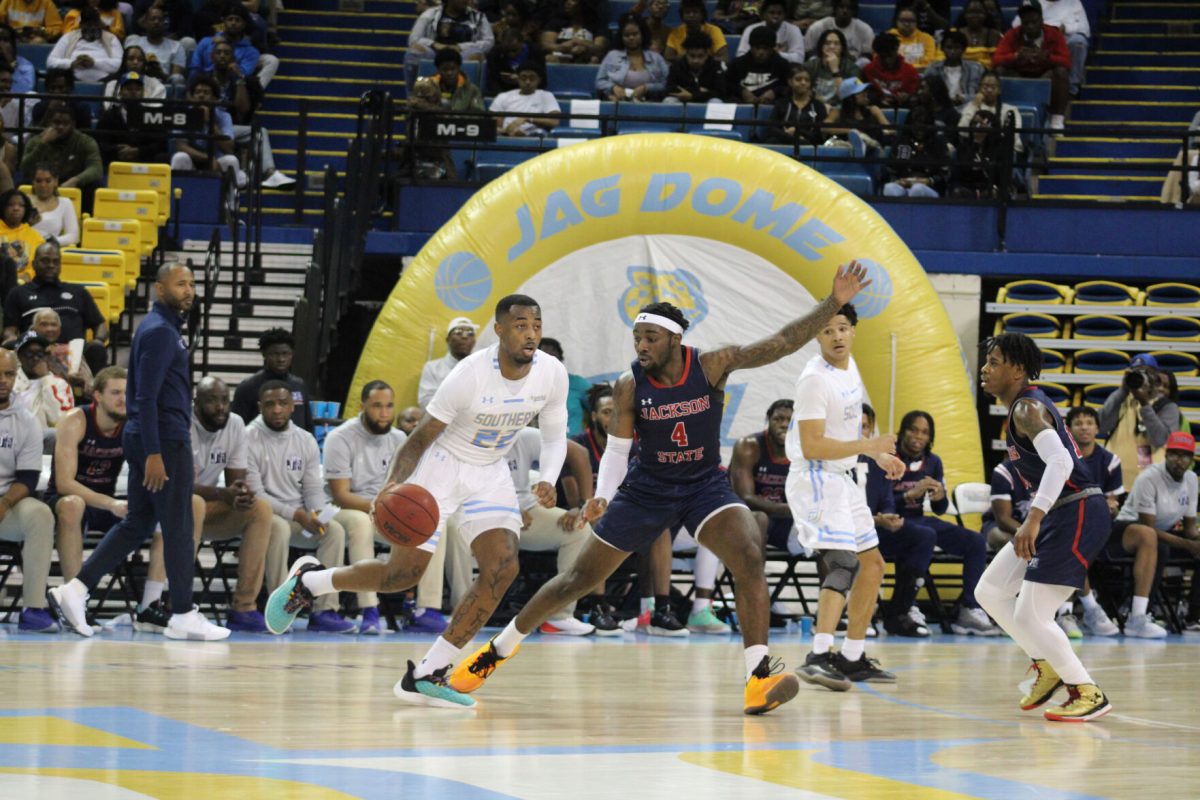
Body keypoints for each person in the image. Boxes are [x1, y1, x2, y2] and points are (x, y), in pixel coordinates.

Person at [447, 266, 870, 714]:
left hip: (704, 485)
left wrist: (831, 302)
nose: (642, 346)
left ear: (675, 340)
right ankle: (496, 651)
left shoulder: (711, 365)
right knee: (578, 579)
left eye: (650, 337)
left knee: (748, 551)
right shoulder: (631, 386)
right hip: (648, 488)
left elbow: (781, 342)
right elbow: (616, 450)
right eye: (637, 339)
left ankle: (758, 678)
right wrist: (603, 495)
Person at [265, 294, 573, 709]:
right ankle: (310, 582)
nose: (531, 332)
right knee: (402, 575)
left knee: (503, 566)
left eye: (536, 323)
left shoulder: (552, 373)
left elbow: (555, 436)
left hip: (490, 471)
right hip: (441, 466)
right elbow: (418, 440)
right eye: (520, 324)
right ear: (499, 330)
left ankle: (428, 673)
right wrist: (391, 487)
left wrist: (549, 479)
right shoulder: (468, 375)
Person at [49, 264, 231, 641]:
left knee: (139, 523)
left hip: (155, 437)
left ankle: (76, 589)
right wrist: (154, 453)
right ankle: (183, 612)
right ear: (159, 289)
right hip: (161, 439)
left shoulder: (163, 329)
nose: (190, 290)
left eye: (193, 284)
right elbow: (145, 397)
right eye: (181, 284)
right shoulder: (161, 332)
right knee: (179, 523)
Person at [974, 332, 1112, 722]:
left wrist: (1032, 519)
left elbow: (1062, 464)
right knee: (990, 591)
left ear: (1017, 369)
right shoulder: (1022, 408)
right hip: (1061, 513)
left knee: (1032, 614)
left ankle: (1086, 690)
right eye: (986, 361)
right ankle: (1046, 663)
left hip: (1079, 510)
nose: (985, 369)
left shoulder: (1026, 410)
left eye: (995, 361)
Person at [788, 301, 905, 691]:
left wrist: (879, 455)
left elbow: (846, 431)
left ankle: (852, 657)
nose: (836, 336)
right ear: (817, 336)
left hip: (844, 477)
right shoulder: (814, 380)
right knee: (842, 563)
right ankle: (818, 655)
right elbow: (813, 445)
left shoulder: (849, 367)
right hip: (816, 478)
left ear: (853, 330)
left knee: (872, 566)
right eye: (827, 331)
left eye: (842, 328)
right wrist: (870, 445)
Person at [248, 381, 355, 633]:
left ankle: (326, 610)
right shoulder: (248, 437)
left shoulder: (305, 439)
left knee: (335, 531)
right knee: (278, 529)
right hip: (267, 517)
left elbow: (312, 487)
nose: (277, 410)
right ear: (259, 407)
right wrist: (296, 514)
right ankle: (282, 607)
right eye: (270, 404)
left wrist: (317, 512)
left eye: (283, 403)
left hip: (300, 517)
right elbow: (256, 493)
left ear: (293, 406)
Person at [892, 410, 999, 634]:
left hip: (919, 519)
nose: (918, 436)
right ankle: (906, 605)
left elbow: (940, 509)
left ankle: (969, 608)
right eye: (913, 430)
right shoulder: (889, 459)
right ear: (902, 431)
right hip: (893, 521)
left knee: (975, 541)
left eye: (924, 432)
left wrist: (940, 496)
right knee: (921, 536)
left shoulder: (933, 462)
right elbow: (879, 504)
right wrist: (910, 494)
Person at [190, 376, 279, 633]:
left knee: (260, 508)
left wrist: (240, 493)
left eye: (224, 401)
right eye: (211, 401)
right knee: (193, 502)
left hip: (209, 509)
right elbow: (177, 486)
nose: (220, 407)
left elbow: (235, 481)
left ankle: (244, 606)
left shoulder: (235, 424)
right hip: (174, 509)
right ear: (196, 404)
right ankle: (179, 603)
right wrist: (223, 494)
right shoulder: (183, 424)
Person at [322, 379, 409, 635]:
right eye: (377, 406)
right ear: (362, 406)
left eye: (389, 406)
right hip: (349, 509)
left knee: (433, 527)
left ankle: (427, 609)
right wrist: (378, 507)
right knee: (360, 525)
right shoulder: (339, 437)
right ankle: (369, 609)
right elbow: (340, 495)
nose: (384, 413)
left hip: (385, 511)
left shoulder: (399, 438)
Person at [1111, 431, 1197, 638]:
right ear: (1166, 454)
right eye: (1175, 454)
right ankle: (1140, 612)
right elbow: (1148, 528)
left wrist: (1194, 542)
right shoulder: (1149, 477)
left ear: (1192, 459)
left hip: (1163, 533)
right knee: (1160, 547)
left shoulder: (1192, 479)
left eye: (1184, 455)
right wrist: (1187, 544)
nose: (1179, 460)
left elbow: (1189, 529)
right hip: (1127, 531)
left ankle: (1194, 617)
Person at [46, 366, 125, 586]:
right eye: (116, 393)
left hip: (105, 501)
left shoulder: (131, 425)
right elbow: (64, 484)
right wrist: (111, 503)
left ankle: (152, 602)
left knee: (158, 512)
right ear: (98, 396)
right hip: (64, 500)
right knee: (74, 505)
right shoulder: (75, 421)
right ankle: (75, 595)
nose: (124, 399)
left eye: (127, 393)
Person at [860, 403, 931, 637]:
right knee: (863, 550)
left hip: (873, 528)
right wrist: (874, 520)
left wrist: (889, 515)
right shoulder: (833, 462)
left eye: (866, 428)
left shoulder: (878, 461)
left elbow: (887, 498)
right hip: (844, 531)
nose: (862, 433)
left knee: (922, 536)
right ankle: (861, 614)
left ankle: (900, 611)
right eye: (856, 427)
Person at [0, 348, 58, 631]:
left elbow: (28, 477)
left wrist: (5, 503)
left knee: (41, 514)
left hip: (5, 507)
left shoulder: (26, 421)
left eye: (9, 374)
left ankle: (33, 608)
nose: (2, 380)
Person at [3, 241, 109, 375]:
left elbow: (100, 324)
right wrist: (13, 340)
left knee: (96, 349)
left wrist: (98, 340)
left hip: (75, 355)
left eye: (55, 262)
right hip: (35, 350)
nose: (51, 265)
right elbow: (9, 330)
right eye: (45, 261)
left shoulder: (78, 292)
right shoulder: (18, 293)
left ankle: (94, 394)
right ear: (34, 264)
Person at [1098, 353, 1184, 491]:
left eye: (1147, 373)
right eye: (1137, 372)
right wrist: (1122, 391)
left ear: (1156, 378)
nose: (1141, 377)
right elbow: (1101, 426)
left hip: (1149, 485)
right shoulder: (1120, 398)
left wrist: (1145, 403)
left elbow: (1159, 439)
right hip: (1114, 481)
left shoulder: (1167, 406)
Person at [992, 0, 1070, 130]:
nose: (1030, 26)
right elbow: (995, 60)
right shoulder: (1012, 34)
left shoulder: (1053, 34)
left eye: (1034, 22)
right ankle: (998, 111)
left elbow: (1067, 62)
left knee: (1061, 72)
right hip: (1019, 75)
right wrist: (1016, 56)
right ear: (1021, 22)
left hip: (1044, 76)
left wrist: (1047, 58)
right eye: (1026, 23)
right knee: (999, 71)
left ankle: (1057, 119)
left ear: (1041, 19)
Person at [728, 399, 793, 552]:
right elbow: (745, 497)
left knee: (826, 529)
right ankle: (755, 577)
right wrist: (788, 509)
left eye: (790, 420)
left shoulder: (804, 451)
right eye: (778, 419)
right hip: (745, 519)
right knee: (759, 518)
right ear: (768, 421)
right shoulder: (749, 446)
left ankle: (837, 575)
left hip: (783, 521)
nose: (784, 424)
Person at [231, 327, 312, 430]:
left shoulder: (299, 385)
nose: (281, 359)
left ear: (292, 354)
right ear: (264, 354)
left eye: (285, 354)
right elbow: (236, 428)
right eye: (275, 354)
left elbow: (308, 425)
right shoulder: (247, 387)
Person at [404, 0, 494, 91]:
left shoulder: (478, 17)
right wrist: (433, 44)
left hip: (463, 54)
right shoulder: (430, 14)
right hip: (436, 53)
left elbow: (489, 41)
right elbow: (413, 39)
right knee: (415, 50)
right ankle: (413, 96)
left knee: (477, 56)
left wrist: (461, 47)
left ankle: (471, 98)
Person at [18, 103, 104, 194]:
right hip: (44, 182)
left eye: (65, 123)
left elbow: (96, 169)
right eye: (56, 122)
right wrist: (42, 144)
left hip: (72, 182)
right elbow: (25, 168)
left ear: (73, 124)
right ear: (49, 122)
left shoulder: (85, 141)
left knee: (95, 185)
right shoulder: (36, 141)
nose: (61, 127)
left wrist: (76, 180)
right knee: (22, 184)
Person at [189, 5, 278, 89]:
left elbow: (243, 76)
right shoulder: (206, 42)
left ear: (244, 24)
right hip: (205, 88)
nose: (233, 23)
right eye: (230, 19)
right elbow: (195, 68)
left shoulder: (251, 52)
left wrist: (227, 43)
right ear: (224, 22)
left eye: (237, 20)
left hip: (233, 91)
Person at [94, 71, 171, 167]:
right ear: (120, 92)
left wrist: (138, 151)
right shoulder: (109, 115)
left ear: (143, 93)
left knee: (163, 157)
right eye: (129, 89)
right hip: (116, 159)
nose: (133, 92)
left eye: (138, 89)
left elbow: (161, 144)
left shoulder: (152, 115)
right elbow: (99, 143)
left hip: (144, 160)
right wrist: (117, 148)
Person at [1014, 0, 1088, 98]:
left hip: (1064, 38)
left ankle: (1072, 88)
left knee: (1079, 42)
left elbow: (1085, 28)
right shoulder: (1032, 2)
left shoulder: (1073, 2)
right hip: (1040, 37)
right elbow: (1016, 24)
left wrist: (1066, 28)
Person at [11, 329, 73, 436]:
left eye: (40, 354)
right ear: (19, 356)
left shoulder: (60, 385)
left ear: (46, 356)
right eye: (29, 354)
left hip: (45, 441)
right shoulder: (9, 382)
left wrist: (45, 380)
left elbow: (60, 419)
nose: (35, 358)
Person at [596, 15, 669, 102]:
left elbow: (666, 83)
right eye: (627, 35)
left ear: (642, 34)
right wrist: (613, 87)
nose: (631, 38)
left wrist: (646, 88)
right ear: (621, 37)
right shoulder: (612, 56)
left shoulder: (656, 58)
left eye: (635, 34)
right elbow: (599, 82)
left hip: (650, 103)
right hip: (618, 102)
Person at [880, 104, 947, 196]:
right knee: (889, 188)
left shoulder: (937, 143)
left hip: (929, 187)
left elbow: (945, 173)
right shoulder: (902, 141)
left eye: (923, 127)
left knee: (917, 189)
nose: (919, 131)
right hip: (904, 184)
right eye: (916, 127)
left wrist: (929, 181)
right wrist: (898, 181)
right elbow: (891, 169)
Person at [45, 7, 123, 83]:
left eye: (95, 24)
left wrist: (94, 63)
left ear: (100, 24)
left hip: (106, 81)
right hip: (72, 81)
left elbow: (120, 63)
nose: (92, 27)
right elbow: (51, 62)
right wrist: (72, 63)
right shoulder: (68, 37)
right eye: (88, 24)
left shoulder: (111, 38)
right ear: (81, 25)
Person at [31, 308, 92, 401]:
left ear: (59, 329)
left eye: (54, 325)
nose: (49, 329)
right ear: (33, 329)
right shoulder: (25, 352)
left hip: (70, 402)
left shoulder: (72, 351)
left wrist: (80, 383)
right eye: (44, 324)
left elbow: (90, 389)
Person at [957, 72, 1023, 157]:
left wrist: (987, 135)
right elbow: (962, 132)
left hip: (1004, 156)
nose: (989, 90)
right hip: (977, 152)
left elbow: (1013, 137)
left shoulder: (1011, 110)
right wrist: (975, 105)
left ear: (999, 90)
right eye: (985, 87)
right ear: (979, 89)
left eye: (993, 87)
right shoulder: (972, 107)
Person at [418, 317, 478, 407]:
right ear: (448, 339)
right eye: (458, 332)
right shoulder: (433, 368)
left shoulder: (481, 368)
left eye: (470, 333)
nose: (464, 337)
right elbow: (425, 401)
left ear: (474, 341)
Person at [489, 62, 561, 137]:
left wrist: (528, 118)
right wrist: (507, 131)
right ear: (518, 79)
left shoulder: (546, 96)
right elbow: (495, 125)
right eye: (523, 78)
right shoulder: (503, 96)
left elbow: (554, 121)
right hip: (506, 135)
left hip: (533, 137)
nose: (527, 82)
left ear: (539, 80)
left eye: (532, 78)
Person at [124, 5, 187, 87]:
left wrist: (160, 74)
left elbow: (176, 77)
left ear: (164, 23)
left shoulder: (176, 46)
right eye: (152, 19)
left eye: (160, 19)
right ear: (145, 22)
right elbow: (125, 69)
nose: (156, 22)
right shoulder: (134, 43)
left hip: (164, 84)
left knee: (178, 78)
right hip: (136, 83)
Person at [763, 65, 827, 144]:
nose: (803, 83)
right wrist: (790, 137)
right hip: (784, 142)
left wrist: (798, 131)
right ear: (790, 82)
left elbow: (819, 134)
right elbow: (771, 128)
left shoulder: (818, 106)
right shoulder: (782, 103)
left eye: (807, 80)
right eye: (798, 79)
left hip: (807, 144)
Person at [729, 25, 791, 104]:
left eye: (765, 48)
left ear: (772, 49)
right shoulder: (737, 64)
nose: (761, 52)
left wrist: (775, 92)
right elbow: (727, 85)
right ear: (751, 47)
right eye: (757, 48)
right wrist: (741, 91)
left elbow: (790, 86)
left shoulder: (782, 65)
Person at [924, 30, 983, 112]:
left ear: (963, 49)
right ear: (942, 49)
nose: (952, 51)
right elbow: (925, 93)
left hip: (968, 108)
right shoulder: (933, 68)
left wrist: (964, 98)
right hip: (940, 109)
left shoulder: (976, 68)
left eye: (957, 48)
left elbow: (983, 94)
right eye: (949, 48)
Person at [665, 32, 729, 105]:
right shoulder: (676, 66)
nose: (696, 61)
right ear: (686, 54)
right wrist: (697, 90)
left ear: (707, 54)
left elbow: (721, 93)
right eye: (692, 56)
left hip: (705, 100)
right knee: (669, 100)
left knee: (716, 102)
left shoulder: (716, 67)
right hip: (682, 100)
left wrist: (693, 96)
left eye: (700, 56)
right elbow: (669, 89)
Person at [804, 28, 860, 109]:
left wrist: (835, 70)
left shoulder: (853, 68)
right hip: (814, 109)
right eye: (827, 43)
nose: (832, 46)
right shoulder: (809, 66)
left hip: (841, 111)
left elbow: (848, 97)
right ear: (821, 46)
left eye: (836, 44)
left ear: (842, 47)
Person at [804, 0, 874, 63]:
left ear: (854, 11)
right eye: (841, 7)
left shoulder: (864, 29)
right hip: (823, 66)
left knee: (865, 62)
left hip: (851, 66)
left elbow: (867, 54)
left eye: (849, 8)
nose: (845, 10)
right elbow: (808, 51)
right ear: (835, 9)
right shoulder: (819, 26)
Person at [539, 0, 607, 64]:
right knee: (549, 58)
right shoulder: (556, 23)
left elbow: (600, 48)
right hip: (561, 56)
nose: (567, 2)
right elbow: (546, 44)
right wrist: (561, 48)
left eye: (573, 0)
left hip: (585, 58)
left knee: (594, 59)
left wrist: (582, 46)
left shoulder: (597, 25)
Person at [27, 164, 80, 247]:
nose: (43, 185)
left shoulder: (65, 203)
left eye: (48, 181)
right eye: (38, 181)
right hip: (23, 248)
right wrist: (28, 223)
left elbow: (73, 236)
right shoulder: (23, 201)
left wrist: (49, 241)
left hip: (49, 251)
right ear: (33, 183)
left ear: (56, 182)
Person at [862, 32, 920, 108]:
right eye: (883, 57)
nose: (887, 61)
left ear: (896, 50)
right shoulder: (868, 70)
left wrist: (907, 97)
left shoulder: (910, 72)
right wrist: (878, 99)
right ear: (877, 53)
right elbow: (864, 95)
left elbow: (915, 96)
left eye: (890, 56)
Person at [0, 188, 44, 281]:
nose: (16, 208)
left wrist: (28, 276)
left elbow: (39, 266)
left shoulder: (36, 238)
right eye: (10, 205)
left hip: (24, 287)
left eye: (21, 205)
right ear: (3, 207)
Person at [429, 47, 485, 112]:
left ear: (459, 68)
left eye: (453, 69)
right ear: (438, 70)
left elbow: (479, 115)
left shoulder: (472, 90)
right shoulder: (427, 87)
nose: (449, 73)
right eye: (445, 69)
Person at [955, 0, 1002, 66]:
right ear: (964, 14)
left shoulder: (994, 35)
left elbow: (999, 59)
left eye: (979, 12)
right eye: (971, 12)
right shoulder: (955, 33)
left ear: (985, 15)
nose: (975, 15)